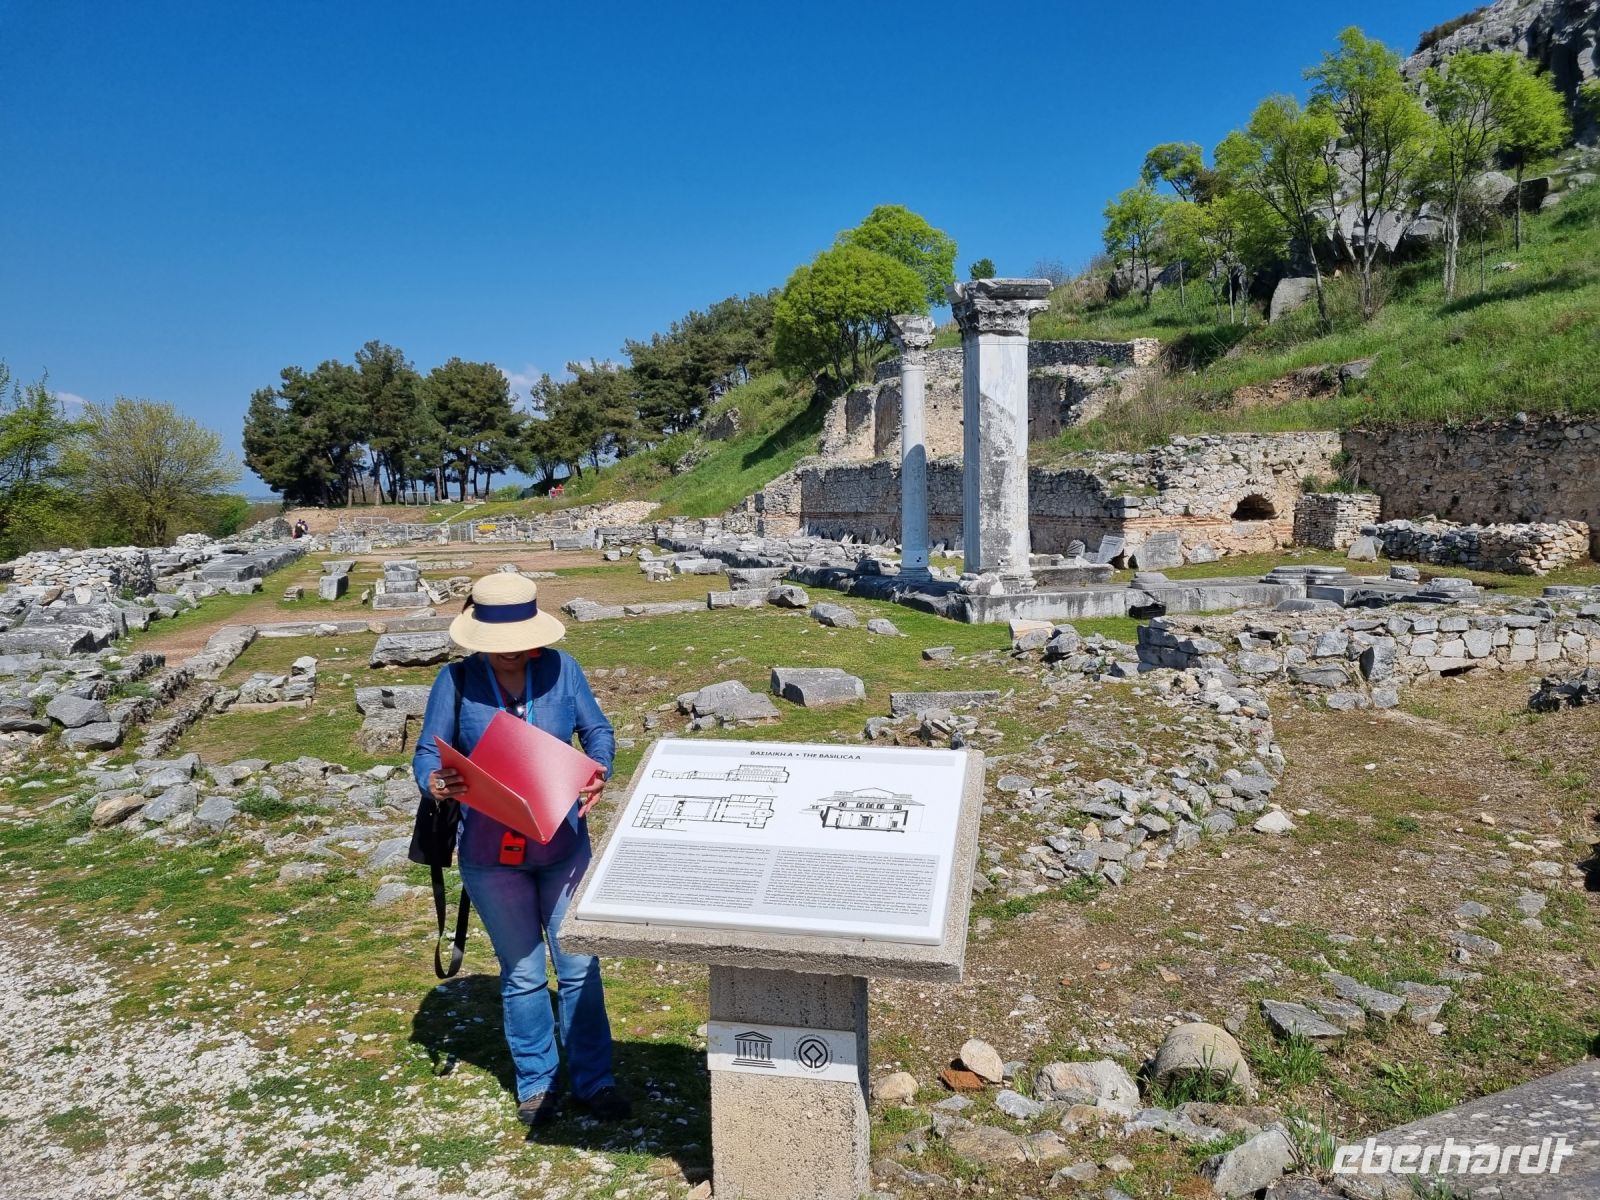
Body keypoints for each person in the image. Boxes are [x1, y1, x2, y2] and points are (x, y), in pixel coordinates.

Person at [409, 572, 629, 1127]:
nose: (514, 654)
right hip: (488, 853)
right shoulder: (454, 681)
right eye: (501, 646)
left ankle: (595, 1080)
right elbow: (424, 756)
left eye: (523, 641)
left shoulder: (563, 669)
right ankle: (537, 1083)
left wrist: (599, 769)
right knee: (524, 972)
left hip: (563, 845)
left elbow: (597, 731)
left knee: (579, 964)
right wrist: (436, 783)